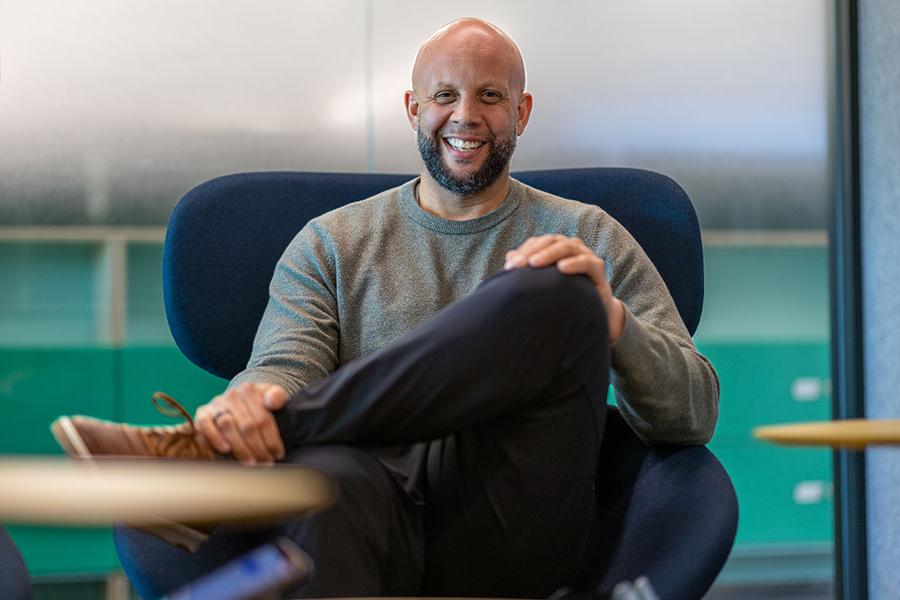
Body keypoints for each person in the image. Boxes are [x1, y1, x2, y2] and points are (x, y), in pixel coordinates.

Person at [54, 17, 719, 598]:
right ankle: (270, 444)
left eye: (491, 96)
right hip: (359, 519)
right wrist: (250, 406)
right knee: (329, 476)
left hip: (511, 528)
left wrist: (612, 323)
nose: (466, 115)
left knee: (558, 286)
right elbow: (285, 368)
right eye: (444, 95)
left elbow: (693, 414)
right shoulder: (332, 244)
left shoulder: (588, 236)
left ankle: (208, 455)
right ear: (411, 107)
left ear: (522, 112)